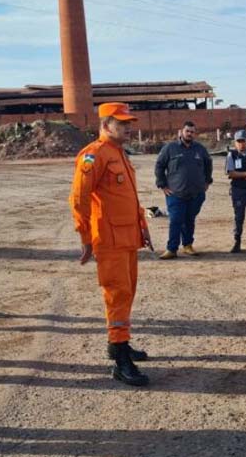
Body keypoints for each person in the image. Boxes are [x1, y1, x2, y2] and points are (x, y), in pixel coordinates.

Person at [70, 102, 154, 387]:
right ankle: (120, 360)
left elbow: (127, 199)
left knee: (128, 293)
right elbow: (79, 199)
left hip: (128, 238)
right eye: (122, 123)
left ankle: (119, 344)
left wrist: (143, 229)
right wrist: (84, 237)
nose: (129, 128)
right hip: (109, 240)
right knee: (117, 295)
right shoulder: (94, 155)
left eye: (129, 122)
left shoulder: (119, 153)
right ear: (105, 125)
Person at [155, 121, 213, 259]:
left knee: (189, 220)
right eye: (187, 131)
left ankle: (188, 245)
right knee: (175, 220)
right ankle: (172, 249)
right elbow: (159, 166)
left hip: (196, 193)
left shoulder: (200, 149)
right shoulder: (170, 148)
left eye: (192, 132)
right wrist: (162, 184)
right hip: (175, 193)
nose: (190, 134)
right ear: (181, 132)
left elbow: (208, 164)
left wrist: (207, 181)